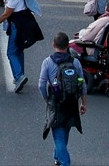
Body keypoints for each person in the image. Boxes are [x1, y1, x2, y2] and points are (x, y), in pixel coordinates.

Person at [39, 32, 87, 166]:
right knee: (64, 131)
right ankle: (57, 157)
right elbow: (82, 83)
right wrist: (83, 103)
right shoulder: (75, 62)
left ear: (53, 44)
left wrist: (46, 99)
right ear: (67, 46)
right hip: (71, 102)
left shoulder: (48, 62)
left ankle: (64, 162)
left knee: (59, 137)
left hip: (56, 102)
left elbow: (41, 84)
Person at [0, 0, 44, 93]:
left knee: (11, 52)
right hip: (24, 21)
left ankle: (18, 76)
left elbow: (6, 14)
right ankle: (20, 73)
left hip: (18, 23)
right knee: (19, 49)